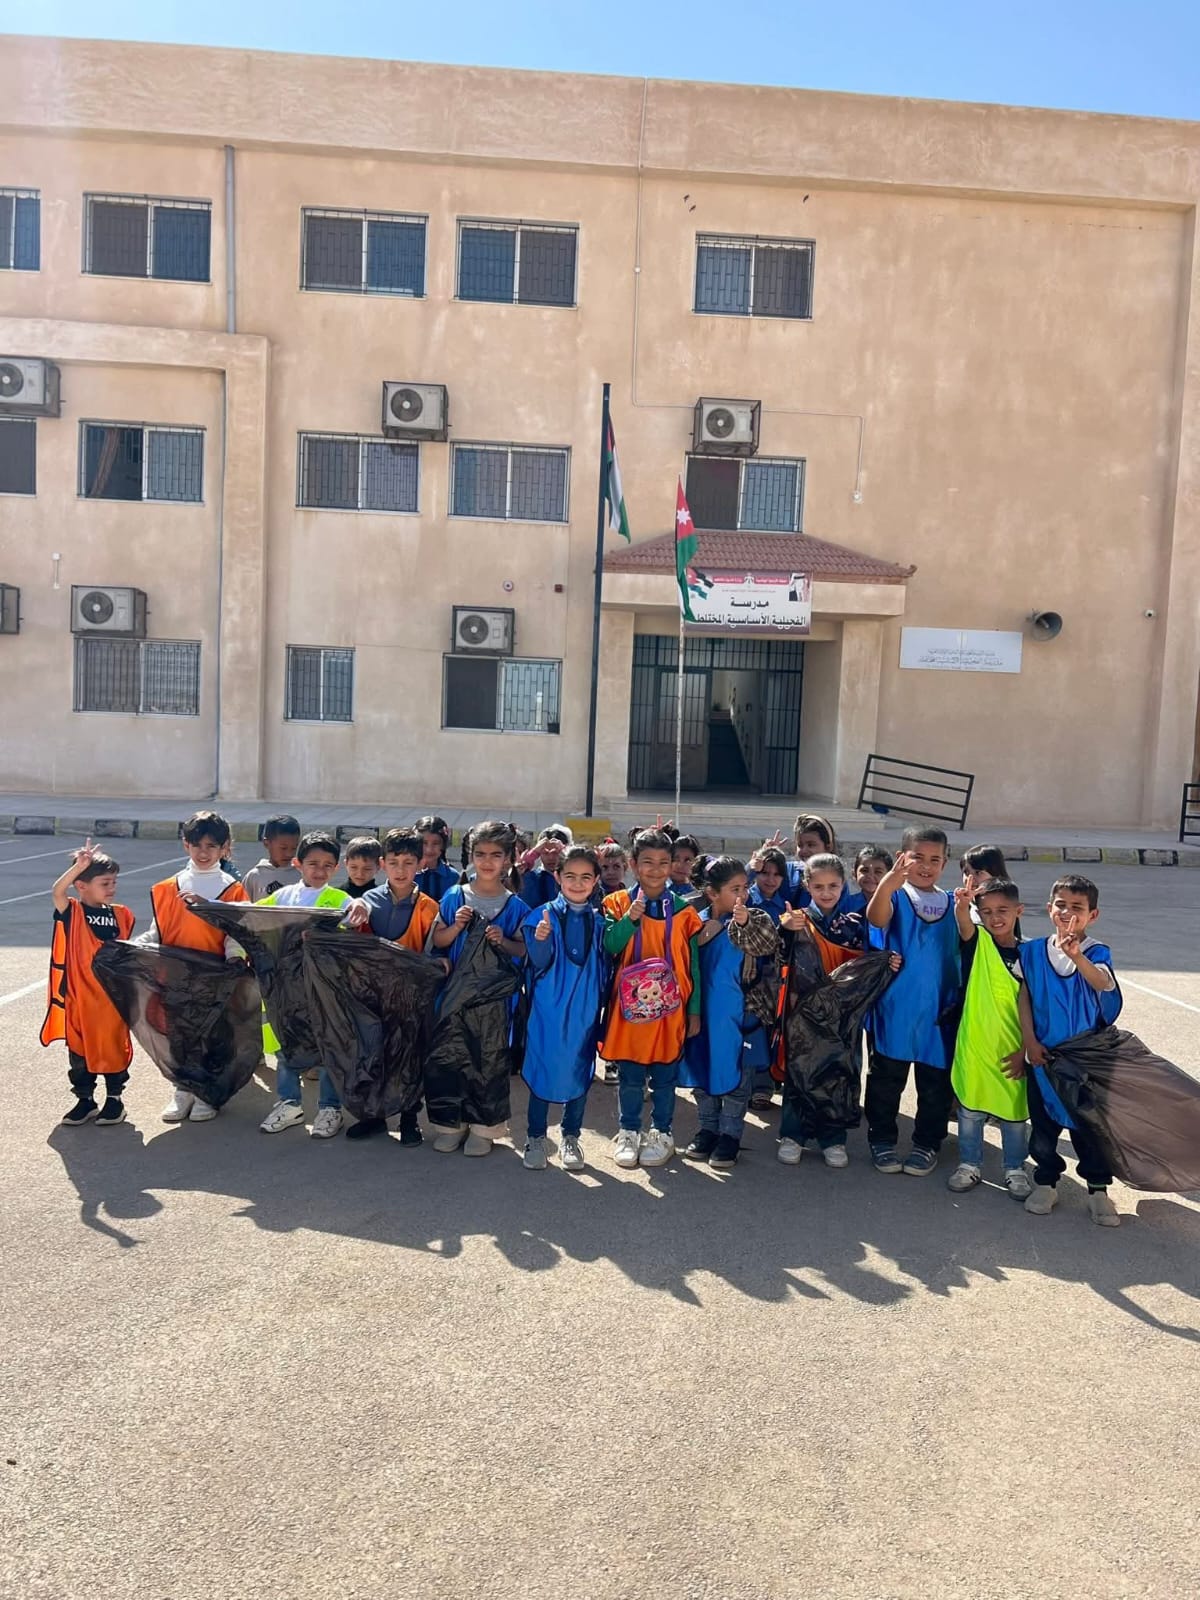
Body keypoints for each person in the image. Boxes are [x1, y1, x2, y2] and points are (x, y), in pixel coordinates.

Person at [1017, 875, 1123, 1226]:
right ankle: (1046, 1182)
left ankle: (1098, 1190)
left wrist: (1075, 955)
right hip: (1043, 1057)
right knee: (1043, 1128)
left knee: (1088, 1128)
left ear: (1093, 915)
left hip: (1084, 1060)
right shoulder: (1032, 952)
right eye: (1061, 905)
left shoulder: (1095, 952)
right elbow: (1025, 996)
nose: (1067, 912)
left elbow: (1103, 982)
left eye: (1077, 907)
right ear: (1049, 908)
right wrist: (1029, 1041)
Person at [599, 828, 704, 1170]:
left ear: (672, 865)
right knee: (630, 1075)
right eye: (647, 862)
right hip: (629, 1009)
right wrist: (631, 918)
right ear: (632, 864)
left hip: (670, 1009)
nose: (655, 870)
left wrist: (694, 1009)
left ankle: (662, 1133)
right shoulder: (616, 903)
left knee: (664, 1077)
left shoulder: (685, 912)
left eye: (663, 862)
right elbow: (610, 945)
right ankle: (629, 1131)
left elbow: (693, 965)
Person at [863, 826, 961, 1176]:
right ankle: (882, 1139)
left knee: (935, 1084)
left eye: (935, 859)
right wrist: (887, 885)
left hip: (939, 1011)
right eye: (918, 857)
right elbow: (876, 919)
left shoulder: (953, 902)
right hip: (896, 1008)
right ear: (902, 858)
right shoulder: (897, 896)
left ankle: (927, 1143)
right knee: (886, 1079)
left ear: (945, 863)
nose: (926, 866)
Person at [427, 820, 527, 1155]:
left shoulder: (516, 907)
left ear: (508, 859)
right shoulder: (454, 897)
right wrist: (456, 927)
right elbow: (438, 940)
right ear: (471, 856)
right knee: (450, 1057)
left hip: (494, 1004)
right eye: (480, 854)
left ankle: (485, 1129)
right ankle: (450, 1125)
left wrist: (503, 942)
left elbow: (523, 950)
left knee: (488, 1062)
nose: (487, 861)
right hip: (453, 997)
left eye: (496, 855)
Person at [146, 811, 250, 1123]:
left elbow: (237, 931)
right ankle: (182, 1089)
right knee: (179, 1035)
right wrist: (138, 946)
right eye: (197, 845)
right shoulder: (167, 888)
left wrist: (235, 957)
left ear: (224, 848)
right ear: (185, 845)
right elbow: (158, 929)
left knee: (212, 1035)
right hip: (175, 977)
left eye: (211, 846)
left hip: (214, 977)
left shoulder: (232, 890)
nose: (204, 852)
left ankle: (206, 1092)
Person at [776, 854, 877, 1165]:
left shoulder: (854, 925)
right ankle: (793, 1135)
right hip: (802, 1012)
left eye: (833, 885)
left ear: (843, 884)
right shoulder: (795, 919)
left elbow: (865, 966)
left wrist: (888, 961)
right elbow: (777, 960)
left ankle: (833, 1138)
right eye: (818, 886)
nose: (826, 892)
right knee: (800, 1070)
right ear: (807, 886)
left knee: (839, 1072)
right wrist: (785, 930)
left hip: (842, 1016)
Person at [255, 831, 354, 1141]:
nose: (319, 871)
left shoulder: (340, 900)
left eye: (327, 865)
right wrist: (210, 905)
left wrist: (361, 909)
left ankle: (330, 1109)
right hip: (287, 990)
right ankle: (289, 1103)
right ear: (298, 864)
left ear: (336, 868)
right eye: (313, 863)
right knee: (287, 1046)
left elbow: (356, 918)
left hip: (324, 990)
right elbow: (252, 915)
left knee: (327, 1047)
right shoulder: (283, 897)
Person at [681, 857, 779, 1171]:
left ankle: (730, 1135)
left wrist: (743, 922)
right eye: (735, 889)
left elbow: (767, 942)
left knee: (738, 1082)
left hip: (741, 1020)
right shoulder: (692, 922)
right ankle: (707, 1129)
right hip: (700, 1017)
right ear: (712, 893)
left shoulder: (754, 918)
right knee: (702, 1076)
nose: (743, 894)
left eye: (745, 887)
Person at [347, 829, 442, 1144]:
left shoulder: (429, 908)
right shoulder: (367, 902)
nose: (401, 870)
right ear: (382, 864)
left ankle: (409, 1119)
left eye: (408, 862)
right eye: (393, 862)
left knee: (409, 1058)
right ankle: (373, 1116)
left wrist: (440, 963)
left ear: (420, 864)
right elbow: (350, 941)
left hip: (411, 998)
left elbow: (434, 952)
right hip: (372, 997)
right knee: (373, 1054)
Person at [520, 845, 608, 1172]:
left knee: (579, 1069)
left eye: (586, 877)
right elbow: (538, 963)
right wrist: (541, 939)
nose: (577, 883)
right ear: (557, 877)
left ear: (596, 880)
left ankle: (571, 1136)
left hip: (584, 1009)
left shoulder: (600, 921)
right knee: (543, 1068)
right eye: (570, 876)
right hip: (548, 1010)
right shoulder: (542, 916)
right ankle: (535, 1137)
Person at [41, 840, 136, 1127]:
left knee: (112, 1049)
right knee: (79, 1053)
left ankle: (114, 1100)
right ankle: (85, 1100)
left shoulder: (120, 914)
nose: (111, 887)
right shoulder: (73, 911)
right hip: (79, 1000)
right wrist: (79, 867)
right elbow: (57, 891)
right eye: (105, 883)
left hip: (110, 1001)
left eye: (114, 882)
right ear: (81, 886)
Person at [947, 877, 1032, 1199]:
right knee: (970, 1110)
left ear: (1018, 911)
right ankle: (969, 1164)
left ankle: (1015, 1169)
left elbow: (1038, 1008)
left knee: (1014, 1114)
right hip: (975, 1046)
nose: (995, 917)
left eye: (1002, 910)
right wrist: (962, 905)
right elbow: (964, 923)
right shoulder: (978, 941)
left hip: (1013, 1049)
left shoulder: (1031, 955)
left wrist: (1026, 1050)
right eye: (987, 911)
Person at [240, 815, 302, 902]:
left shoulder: (301, 876)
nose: (289, 854)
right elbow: (242, 906)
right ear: (266, 843)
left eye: (294, 848)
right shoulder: (254, 876)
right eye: (283, 848)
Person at [518, 824, 573, 909]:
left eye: (555, 853)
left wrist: (568, 856)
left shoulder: (573, 877)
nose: (551, 858)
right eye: (545, 853)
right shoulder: (531, 877)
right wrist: (531, 855)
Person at [415, 815, 458, 903]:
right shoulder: (407, 875)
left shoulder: (453, 877)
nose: (429, 849)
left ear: (443, 845)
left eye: (436, 843)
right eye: (424, 843)